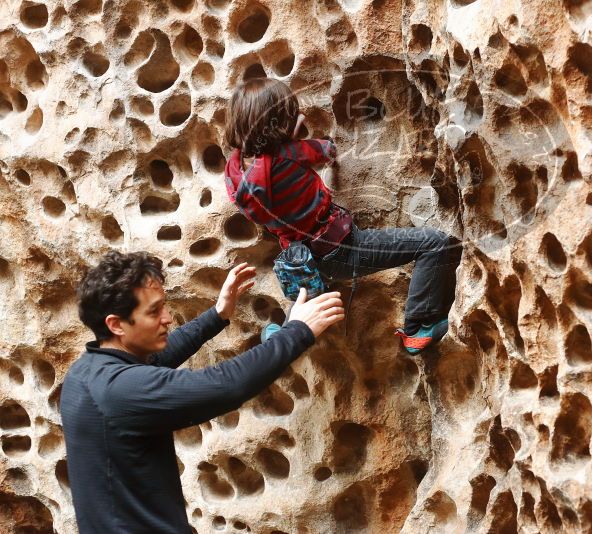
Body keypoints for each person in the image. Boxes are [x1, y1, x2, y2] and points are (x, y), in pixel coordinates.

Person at [61, 251, 343, 533]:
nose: (167, 318)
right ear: (116, 324)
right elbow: (225, 385)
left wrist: (217, 315)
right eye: (154, 311)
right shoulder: (118, 391)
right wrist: (298, 330)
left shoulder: (86, 371)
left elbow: (157, 359)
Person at [223, 77, 462, 354]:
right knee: (433, 243)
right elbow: (328, 150)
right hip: (340, 247)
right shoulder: (290, 154)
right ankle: (418, 328)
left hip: (301, 261)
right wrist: (298, 134)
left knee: (309, 293)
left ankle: (282, 335)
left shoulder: (234, 173)